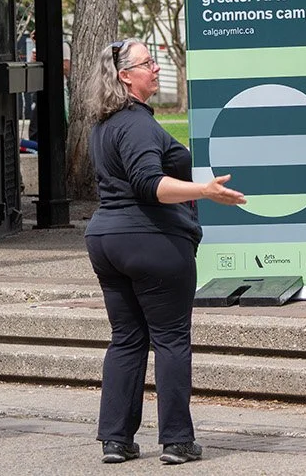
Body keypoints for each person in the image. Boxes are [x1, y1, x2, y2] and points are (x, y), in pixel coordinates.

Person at [88, 39, 247, 464]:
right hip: (150, 241)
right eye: (147, 63)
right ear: (125, 76)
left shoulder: (104, 124)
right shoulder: (136, 123)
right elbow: (149, 184)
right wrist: (206, 191)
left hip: (107, 241)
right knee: (171, 338)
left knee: (126, 338)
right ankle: (177, 440)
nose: (156, 68)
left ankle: (116, 440)